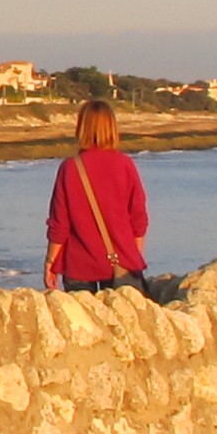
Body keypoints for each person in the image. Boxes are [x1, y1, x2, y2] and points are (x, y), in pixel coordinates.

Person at [44, 100, 148, 292]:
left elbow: (59, 223)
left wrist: (51, 262)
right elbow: (139, 219)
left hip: (78, 266)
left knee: (83, 321)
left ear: (81, 127)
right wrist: (133, 256)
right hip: (123, 261)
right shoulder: (125, 165)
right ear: (112, 127)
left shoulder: (70, 167)